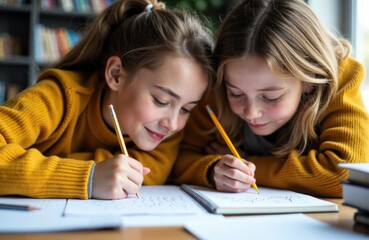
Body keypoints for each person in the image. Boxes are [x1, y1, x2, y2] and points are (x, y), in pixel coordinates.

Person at [0, 0, 216, 200]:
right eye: (161, 100)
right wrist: (87, 176)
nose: (173, 123)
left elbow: (153, 172)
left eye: (187, 109)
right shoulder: (60, 96)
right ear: (115, 74)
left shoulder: (164, 128)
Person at [172, 0, 369, 197]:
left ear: (310, 78)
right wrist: (213, 169)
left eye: (270, 97)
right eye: (237, 94)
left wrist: (247, 162)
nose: (251, 112)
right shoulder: (219, 82)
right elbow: (178, 158)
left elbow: (346, 173)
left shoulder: (339, 80)